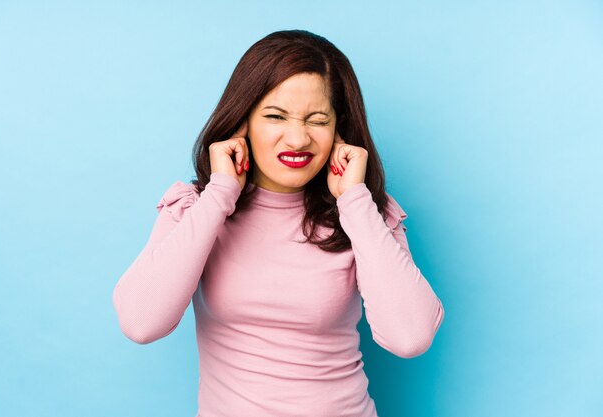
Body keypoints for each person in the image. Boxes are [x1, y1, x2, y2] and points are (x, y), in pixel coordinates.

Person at [112, 29, 445, 417]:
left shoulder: (364, 213)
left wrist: (354, 201)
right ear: (243, 122)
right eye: (275, 116)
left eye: (317, 120)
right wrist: (220, 193)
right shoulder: (196, 209)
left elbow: (411, 337)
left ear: (339, 129)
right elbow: (140, 323)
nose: (298, 137)